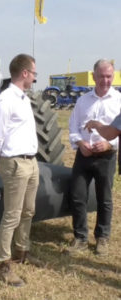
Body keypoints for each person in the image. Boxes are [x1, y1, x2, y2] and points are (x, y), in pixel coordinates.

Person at [0, 54, 39, 286]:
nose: (35, 78)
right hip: (15, 163)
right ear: (25, 73)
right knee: (12, 214)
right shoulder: (6, 100)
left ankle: (22, 251)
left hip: (31, 162)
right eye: (34, 74)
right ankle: (3, 265)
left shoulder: (23, 99)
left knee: (28, 211)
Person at [67, 59, 121, 256]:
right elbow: (73, 126)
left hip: (107, 157)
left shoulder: (118, 101)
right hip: (84, 156)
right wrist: (80, 144)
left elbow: (119, 132)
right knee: (78, 196)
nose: (105, 81)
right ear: (94, 76)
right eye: (101, 76)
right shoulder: (83, 101)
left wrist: (108, 144)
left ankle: (102, 238)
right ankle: (80, 237)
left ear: (113, 77)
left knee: (104, 199)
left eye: (109, 77)